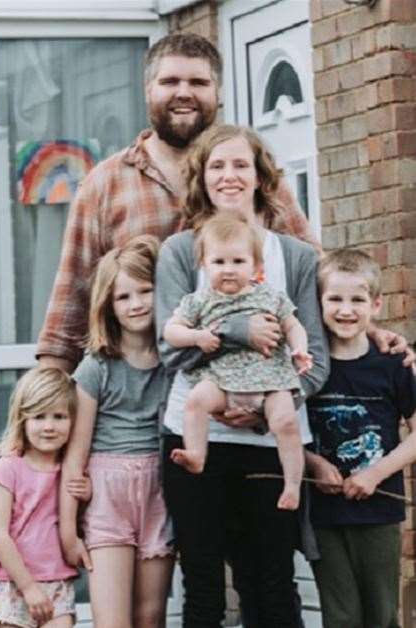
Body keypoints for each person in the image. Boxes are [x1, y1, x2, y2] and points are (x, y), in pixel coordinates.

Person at [36, 32, 321, 374]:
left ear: (218, 92)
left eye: (198, 82)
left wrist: (368, 330)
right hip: (139, 395)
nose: (184, 92)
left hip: (250, 382)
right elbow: (71, 306)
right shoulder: (104, 184)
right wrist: (45, 398)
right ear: (148, 90)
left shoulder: (250, 179)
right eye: (170, 81)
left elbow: (318, 277)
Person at [155, 123, 329, 628]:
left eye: (240, 165)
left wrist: (262, 411)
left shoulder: (293, 256)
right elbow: (171, 348)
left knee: (272, 582)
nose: (228, 176)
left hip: (269, 442)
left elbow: (314, 355)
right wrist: (236, 329)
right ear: (201, 179)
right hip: (196, 438)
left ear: (259, 177)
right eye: (216, 166)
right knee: (204, 586)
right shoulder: (180, 252)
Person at [59, 236, 174, 628]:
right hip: (108, 493)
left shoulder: (174, 361)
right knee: (113, 621)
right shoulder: (97, 367)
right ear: (108, 304)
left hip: (158, 491)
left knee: (150, 616)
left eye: (145, 291)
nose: (137, 303)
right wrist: (68, 530)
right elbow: (75, 455)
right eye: (124, 297)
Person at [164, 214, 313, 511]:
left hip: (270, 377)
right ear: (204, 265)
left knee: (285, 420)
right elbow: (170, 332)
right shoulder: (198, 300)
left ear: (256, 266)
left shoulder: (271, 296)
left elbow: (293, 325)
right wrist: (197, 336)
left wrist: (299, 349)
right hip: (222, 378)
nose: (228, 270)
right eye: (219, 262)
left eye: (238, 262)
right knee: (195, 401)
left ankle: (293, 484)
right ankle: (196, 454)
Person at [306, 249, 416, 628]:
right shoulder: (310, 366)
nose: (346, 310)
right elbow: (283, 429)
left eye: (357, 299)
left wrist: (375, 473)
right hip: (324, 513)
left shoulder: (392, 365)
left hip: (379, 511)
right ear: (319, 302)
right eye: (334, 299)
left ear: (376, 303)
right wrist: (314, 463)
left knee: (382, 613)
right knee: (340, 616)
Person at [0, 367, 91, 628]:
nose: (48, 426)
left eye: (59, 416)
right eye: (39, 417)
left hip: (57, 580)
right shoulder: (7, 468)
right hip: (13, 581)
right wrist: (28, 587)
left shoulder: (72, 469)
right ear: (23, 420)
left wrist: (88, 494)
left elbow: (80, 521)